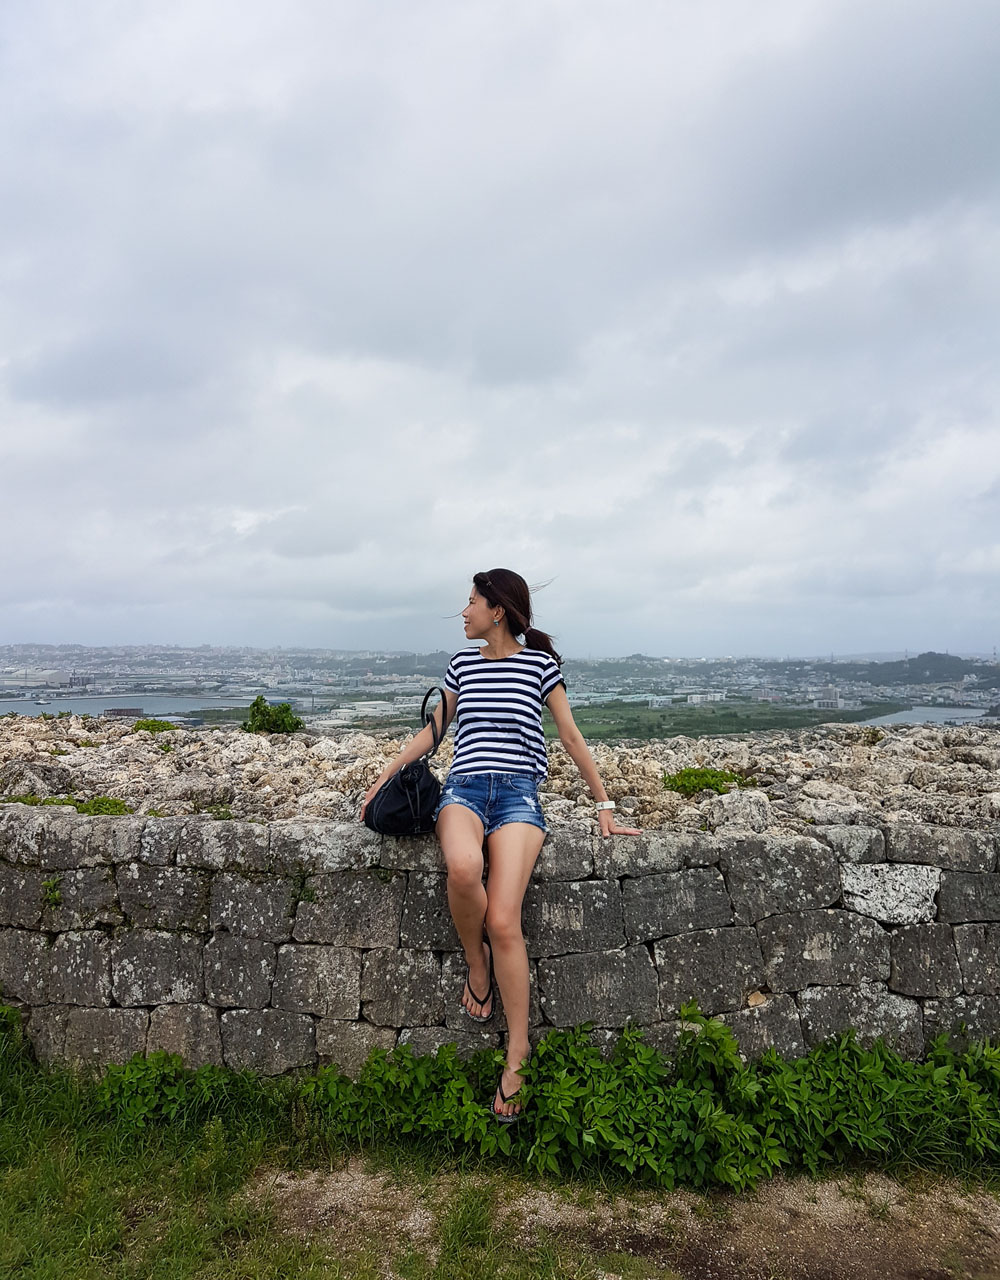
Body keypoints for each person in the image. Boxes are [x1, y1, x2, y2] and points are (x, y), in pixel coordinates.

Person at [360, 569, 640, 1122]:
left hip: (517, 798)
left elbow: (570, 736)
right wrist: (384, 777)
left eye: (470, 603)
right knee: (464, 870)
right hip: (463, 791)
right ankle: (476, 963)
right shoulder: (461, 664)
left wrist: (604, 806)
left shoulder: (540, 666)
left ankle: (518, 1053)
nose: (462, 612)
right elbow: (434, 732)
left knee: (505, 918)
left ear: (499, 611)